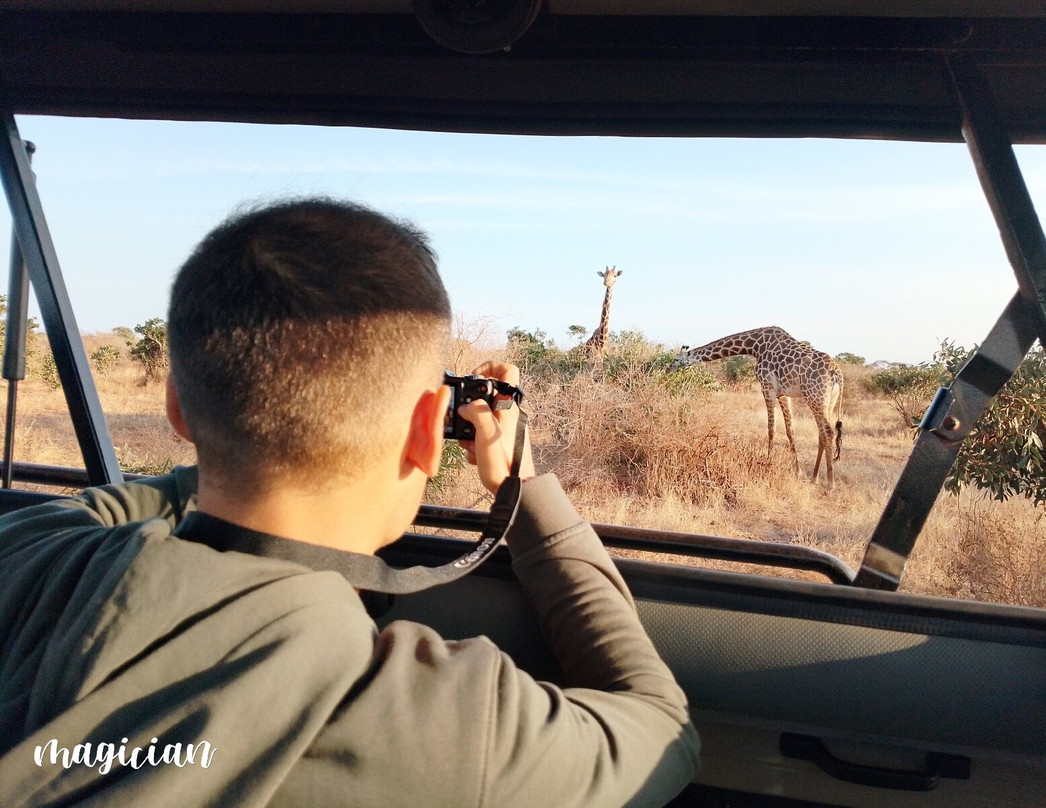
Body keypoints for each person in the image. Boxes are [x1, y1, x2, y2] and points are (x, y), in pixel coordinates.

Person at [0, 198, 700, 807]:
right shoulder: (459, 724)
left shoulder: (30, 555)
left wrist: (237, 432)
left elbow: (107, 509)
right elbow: (662, 725)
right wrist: (524, 487)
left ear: (177, 408)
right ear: (432, 431)